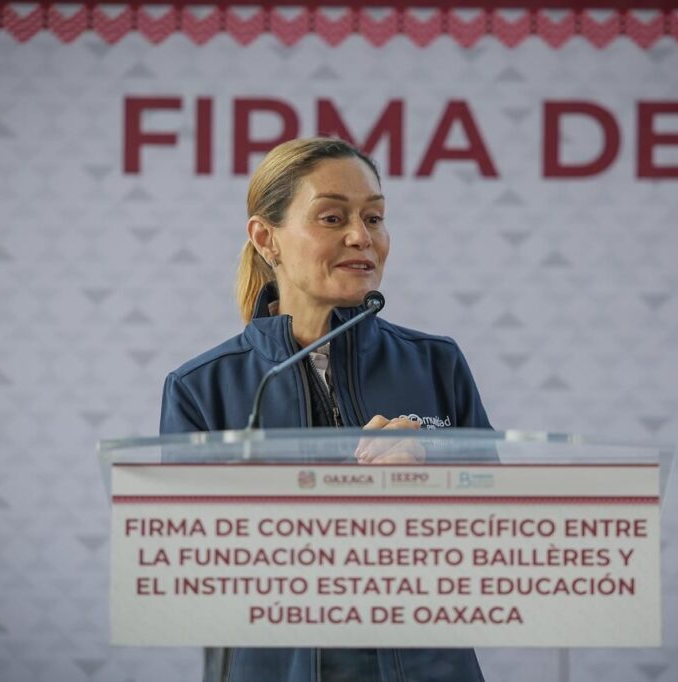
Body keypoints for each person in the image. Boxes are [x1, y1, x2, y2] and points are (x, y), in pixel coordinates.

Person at [160, 137, 492, 682]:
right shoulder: (201, 388)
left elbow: (507, 542)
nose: (362, 237)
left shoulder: (437, 363)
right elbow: (187, 580)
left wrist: (438, 481)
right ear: (266, 238)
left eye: (374, 218)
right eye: (332, 218)